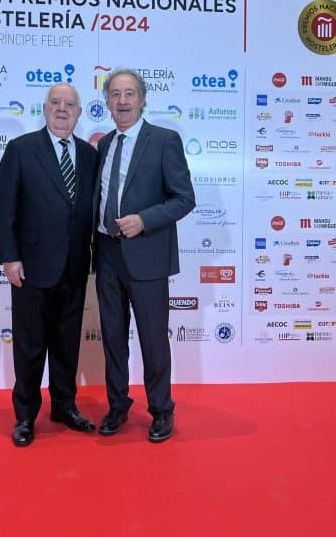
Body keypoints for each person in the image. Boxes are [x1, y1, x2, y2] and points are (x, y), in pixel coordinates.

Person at [0, 82, 98, 447]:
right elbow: (3, 208)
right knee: (30, 345)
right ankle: (25, 416)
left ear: (79, 113)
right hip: (32, 267)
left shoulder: (89, 155)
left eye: (70, 103)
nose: (62, 108)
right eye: (56, 102)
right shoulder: (21, 149)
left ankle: (64, 406)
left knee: (67, 344)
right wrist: (9, 257)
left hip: (75, 266)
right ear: (45, 108)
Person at [93, 69, 195, 443]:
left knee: (153, 340)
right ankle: (117, 405)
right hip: (106, 254)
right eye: (115, 94)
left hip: (147, 256)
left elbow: (184, 198)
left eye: (129, 94)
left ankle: (161, 410)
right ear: (107, 101)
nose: (122, 101)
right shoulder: (104, 144)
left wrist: (143, 220)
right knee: (112, 338)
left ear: (142, 99)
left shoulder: (165, 140)